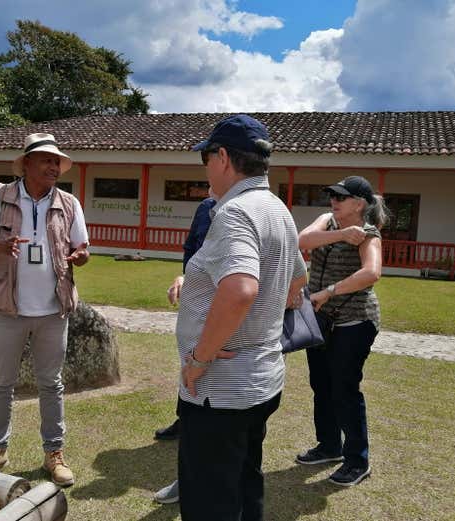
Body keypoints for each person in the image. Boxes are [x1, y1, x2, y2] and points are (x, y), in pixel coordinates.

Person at [176, 114, 306, 521]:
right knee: (245, 484)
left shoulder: (235, 213)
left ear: (224, 158)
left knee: (210, 499)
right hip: (261, 377)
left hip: (222, 389)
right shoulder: (277, 208)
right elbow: (296, 281)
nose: (206, 170)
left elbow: (240, 290)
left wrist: (200, 358)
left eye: (206, 159)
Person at [0, 132, 90, 487]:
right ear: (27, 164)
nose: (54, 166)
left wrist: (81, 256)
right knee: (1, 384)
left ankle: (54, 453)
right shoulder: (0, 196)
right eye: (47, 160)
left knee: (51, 384)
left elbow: (83, 248)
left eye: (57, 161)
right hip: (7, 309)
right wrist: (0, 246)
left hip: (54, 311)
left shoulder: (69, 203)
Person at [295, 175, 387, 487]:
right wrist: (340, 234)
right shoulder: (327, 221)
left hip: (354, 321)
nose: (333, 201)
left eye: (341, 197)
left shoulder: (369, 234)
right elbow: (302, 241)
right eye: (332, 195)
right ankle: (329, 446)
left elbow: (371, 273)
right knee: (321, 384)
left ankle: (357, 460)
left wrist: (329, 291)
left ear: (359, 204)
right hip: (320, 320)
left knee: (344, 389)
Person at [154, 195, 216, 443]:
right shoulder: (206, 208)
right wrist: (186, 278)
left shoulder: (243, 209)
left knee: (212, 360)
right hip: (198, 295)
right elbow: (191, 247)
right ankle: (186, 418)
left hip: (224, 296)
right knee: (189, 356)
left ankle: (208, 426)